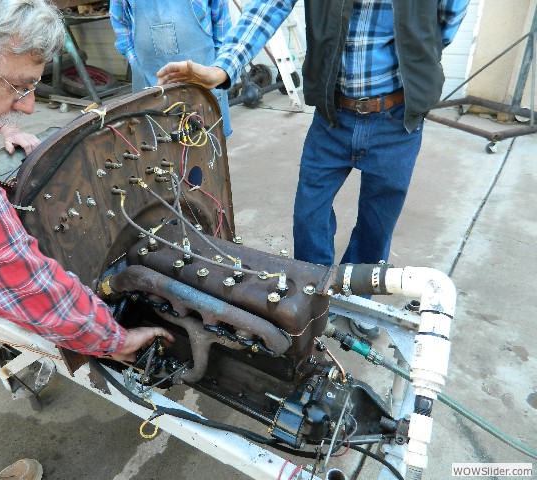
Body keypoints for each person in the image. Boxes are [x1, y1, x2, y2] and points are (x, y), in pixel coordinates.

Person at [0, 1, 173, 478]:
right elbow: (22, 283)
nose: (27, 105)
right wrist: (118, 339)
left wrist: (2, 123)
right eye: (18, 87)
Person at [156, 0, 469, 339]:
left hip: (397, 119)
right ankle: (314, 295)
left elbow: (445, 19)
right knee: (309, 214)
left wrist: (416, 57)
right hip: (333, 116)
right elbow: (268, 6)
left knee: (377, 223)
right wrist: (224, 67)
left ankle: (359, 297)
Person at [109, 0, 233, 138]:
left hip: (203, 81)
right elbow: (119, 21)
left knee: (210, 144)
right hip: (149, 81)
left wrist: (217, 68)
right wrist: (135, 62)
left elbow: (223, 27)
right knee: (155, 146)